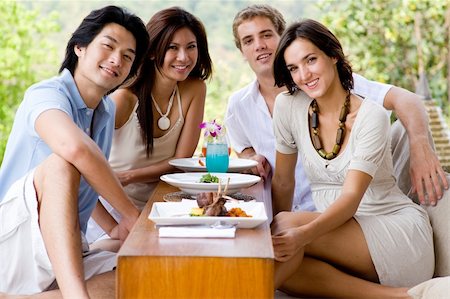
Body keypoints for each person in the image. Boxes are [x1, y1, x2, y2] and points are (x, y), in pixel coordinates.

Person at [225, 4, 448, 218]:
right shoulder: (238, 106)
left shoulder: (330, 84)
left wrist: (420, 146)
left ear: (283, 38)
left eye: (266, 35)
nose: (259, 45)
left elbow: (407, 99)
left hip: (346, 212)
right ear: (242, 51)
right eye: (248, 40)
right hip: (286, 213)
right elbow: (244, 150)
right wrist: (250, 158)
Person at [270, 19, 434, 297]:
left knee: (288, 226)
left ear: (333, 55)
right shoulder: (288, 106)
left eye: (311, 60)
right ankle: (398, 296)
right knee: (287, 256)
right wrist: (278, 241)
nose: (304, 75)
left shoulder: (371, 116)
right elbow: (283, 182)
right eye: (293, 68)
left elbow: (350, 200)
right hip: (338, 236)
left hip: (393, 232)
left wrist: (298, 235)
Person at [0, 6, 149, 297]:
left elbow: (82, 182)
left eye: (128, 56)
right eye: (108, 46)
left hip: (62, 248)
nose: (116, 59)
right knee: (62, 164)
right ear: (80, 47)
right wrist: (130, 215)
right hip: (15, 241)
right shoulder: (45, 95)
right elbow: (74, 151)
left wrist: (113, 228)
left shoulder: (105, 110)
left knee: (142, 271)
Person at [86, 7, 212, 244]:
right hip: (114, 213)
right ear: (153, 51)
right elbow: (80, 169)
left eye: (191, 47)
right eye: (173, 47)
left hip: (162, 206)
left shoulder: (194, 88)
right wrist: (114, 227)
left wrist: (128, 175)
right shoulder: (123, 100)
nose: (184, 57)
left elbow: (181, 161)